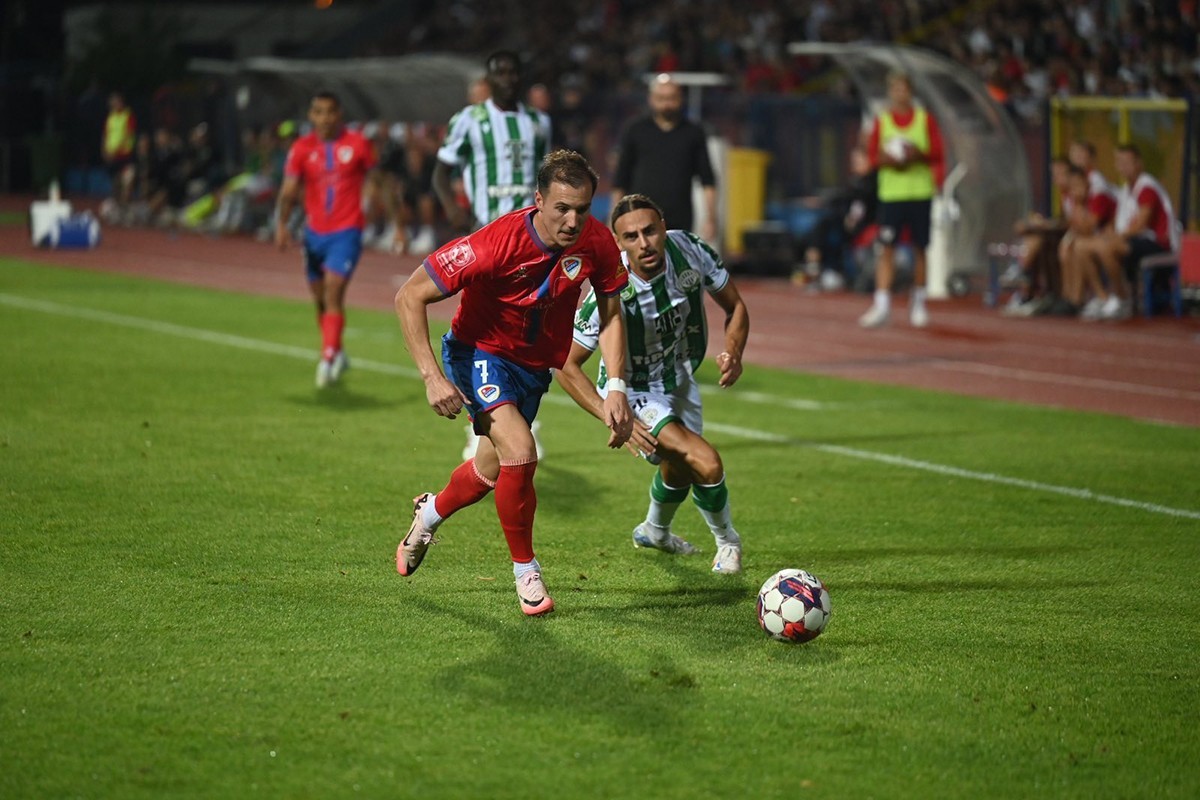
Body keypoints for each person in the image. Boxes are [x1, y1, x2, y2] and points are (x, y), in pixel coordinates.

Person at [394, 150, 634, 616]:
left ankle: (428, 516)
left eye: (582, 210)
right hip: (478, 353)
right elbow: (410, 295)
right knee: (522, 450)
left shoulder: (598, 243)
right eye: (561, 208)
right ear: (538, 199)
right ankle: (526, 571)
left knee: (490, 472)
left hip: (531, 367)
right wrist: (431, 377)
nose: (571, 220)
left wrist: (618, 385)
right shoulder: (494, 243)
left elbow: (610, 312)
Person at [557, 194, 750, 574]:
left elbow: (736, 306)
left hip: (680, 378)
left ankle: (654, 531)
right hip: (633, 390)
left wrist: (733, 351)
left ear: (664, 227)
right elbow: (565, 364)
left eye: (650, 231)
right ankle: (729, 543)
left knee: (678, 465)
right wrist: (613, 414)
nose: (643, 243)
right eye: (631, 237)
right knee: (705, 462)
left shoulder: (690, 250)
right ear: (618, 243)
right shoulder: (608, 289)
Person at [432, 50, 552, 459]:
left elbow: (547, 178)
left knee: (530, 328)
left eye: (513, 71)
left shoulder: (538, 122)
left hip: (534, 243)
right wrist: (452, 209)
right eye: (499, 72)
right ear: (489, 77)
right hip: (486, 240)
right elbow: (440, 171)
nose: (506, 78)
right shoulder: (469, 119)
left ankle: (524, 418)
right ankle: (479, 424)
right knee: (479, 327)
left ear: (519, 77)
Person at [274, 91, 377, 388]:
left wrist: (395, 223)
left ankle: (327, 358)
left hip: (347, 231)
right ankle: (338, 350)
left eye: (330, 111)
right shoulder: (301, 148)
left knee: (333, 292)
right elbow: (290, 190)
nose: (324, 118)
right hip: (313, 234)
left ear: (339, 114)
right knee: (320, 299)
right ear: (311, 115)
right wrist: (281, 225)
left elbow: (378, 180)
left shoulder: (358, 143)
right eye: (318, 112)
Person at [858, 71, 945, 329]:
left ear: (911, 91)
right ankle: (882, 303)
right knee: (886, 248)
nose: (899, 93)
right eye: (895, 89)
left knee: (921, 248)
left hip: (919, 192)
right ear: (890, 92)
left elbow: (937, 152)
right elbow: (872, 157)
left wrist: (916, 155)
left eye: (903, 88)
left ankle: (918, 303)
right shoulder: (883, 121)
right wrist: (889, 159)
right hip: (892, 194)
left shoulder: (924, 120)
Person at [611, 74, 718, 243]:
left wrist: (711, 218)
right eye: (661, 98)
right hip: (639, 217)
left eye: (671, 98)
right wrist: (614, 220)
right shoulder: (635, 130)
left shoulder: (693, 132)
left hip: (679, 220)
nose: (667, 104)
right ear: (651, 99)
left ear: (680, 99)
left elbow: (707, 180)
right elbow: (620, 179)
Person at [1086, 143, 1180, 317]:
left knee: (1108, 247)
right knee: (1087, 246)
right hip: (1137, 241)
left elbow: (1140, 225)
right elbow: (1119, 223)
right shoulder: (1126, 189)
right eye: (1119, 162)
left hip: (1158, 243)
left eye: (1127, 162)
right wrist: (1109, 234)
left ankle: (1122, 298)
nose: (1123, 167)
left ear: (1139, 164)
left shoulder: (1146, 187)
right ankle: (1103, 296)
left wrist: (1114, 237)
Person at [100, 91, 137, 223]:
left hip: (125, 156)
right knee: (115, 184)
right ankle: (117, 210)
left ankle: (125, 209)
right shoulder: (110, 117)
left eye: (115, 101)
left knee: (126, 182)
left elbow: (128, 135)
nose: (112, 104)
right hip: (113, 158)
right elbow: (105, 135)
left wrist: (115, 151)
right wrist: (104, 150)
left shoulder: (128, 116)